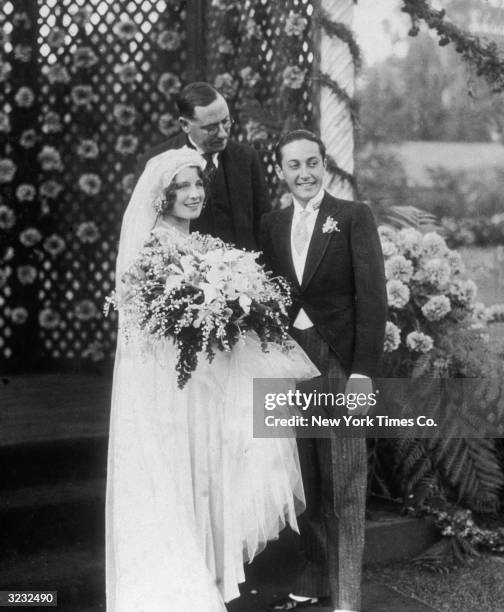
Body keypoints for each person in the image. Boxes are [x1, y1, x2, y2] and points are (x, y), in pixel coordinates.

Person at [106, 146, 319, 612]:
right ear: (161, 197)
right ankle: (185, 578)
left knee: (208, 472)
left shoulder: (200, 246)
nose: (194, 193)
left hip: (205, 388)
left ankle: (213, 573)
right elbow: (150, 330)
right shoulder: (155, 248)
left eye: (198, 184)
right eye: (181, 187)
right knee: (183, 475)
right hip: (172, 393)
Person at [260, 130, 387, 612]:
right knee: (305, 478)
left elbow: (373, 297)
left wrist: (362, 372)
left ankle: (347, 596)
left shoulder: (353, 217)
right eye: (294, 166)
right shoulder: (272, 224)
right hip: (287, 360)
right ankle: (316, 575)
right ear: (281, 172)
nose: (305, 174)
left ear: (325, 164)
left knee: (344, 479)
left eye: (312, 163)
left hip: (337, 357)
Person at [136, 81, 271, 251]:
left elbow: (264, 225)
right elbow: (144, 228)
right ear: (185, 125)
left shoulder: (246, 158)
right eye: (211, 128)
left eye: (226, 122)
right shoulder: (158, 163)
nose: (222, 134)